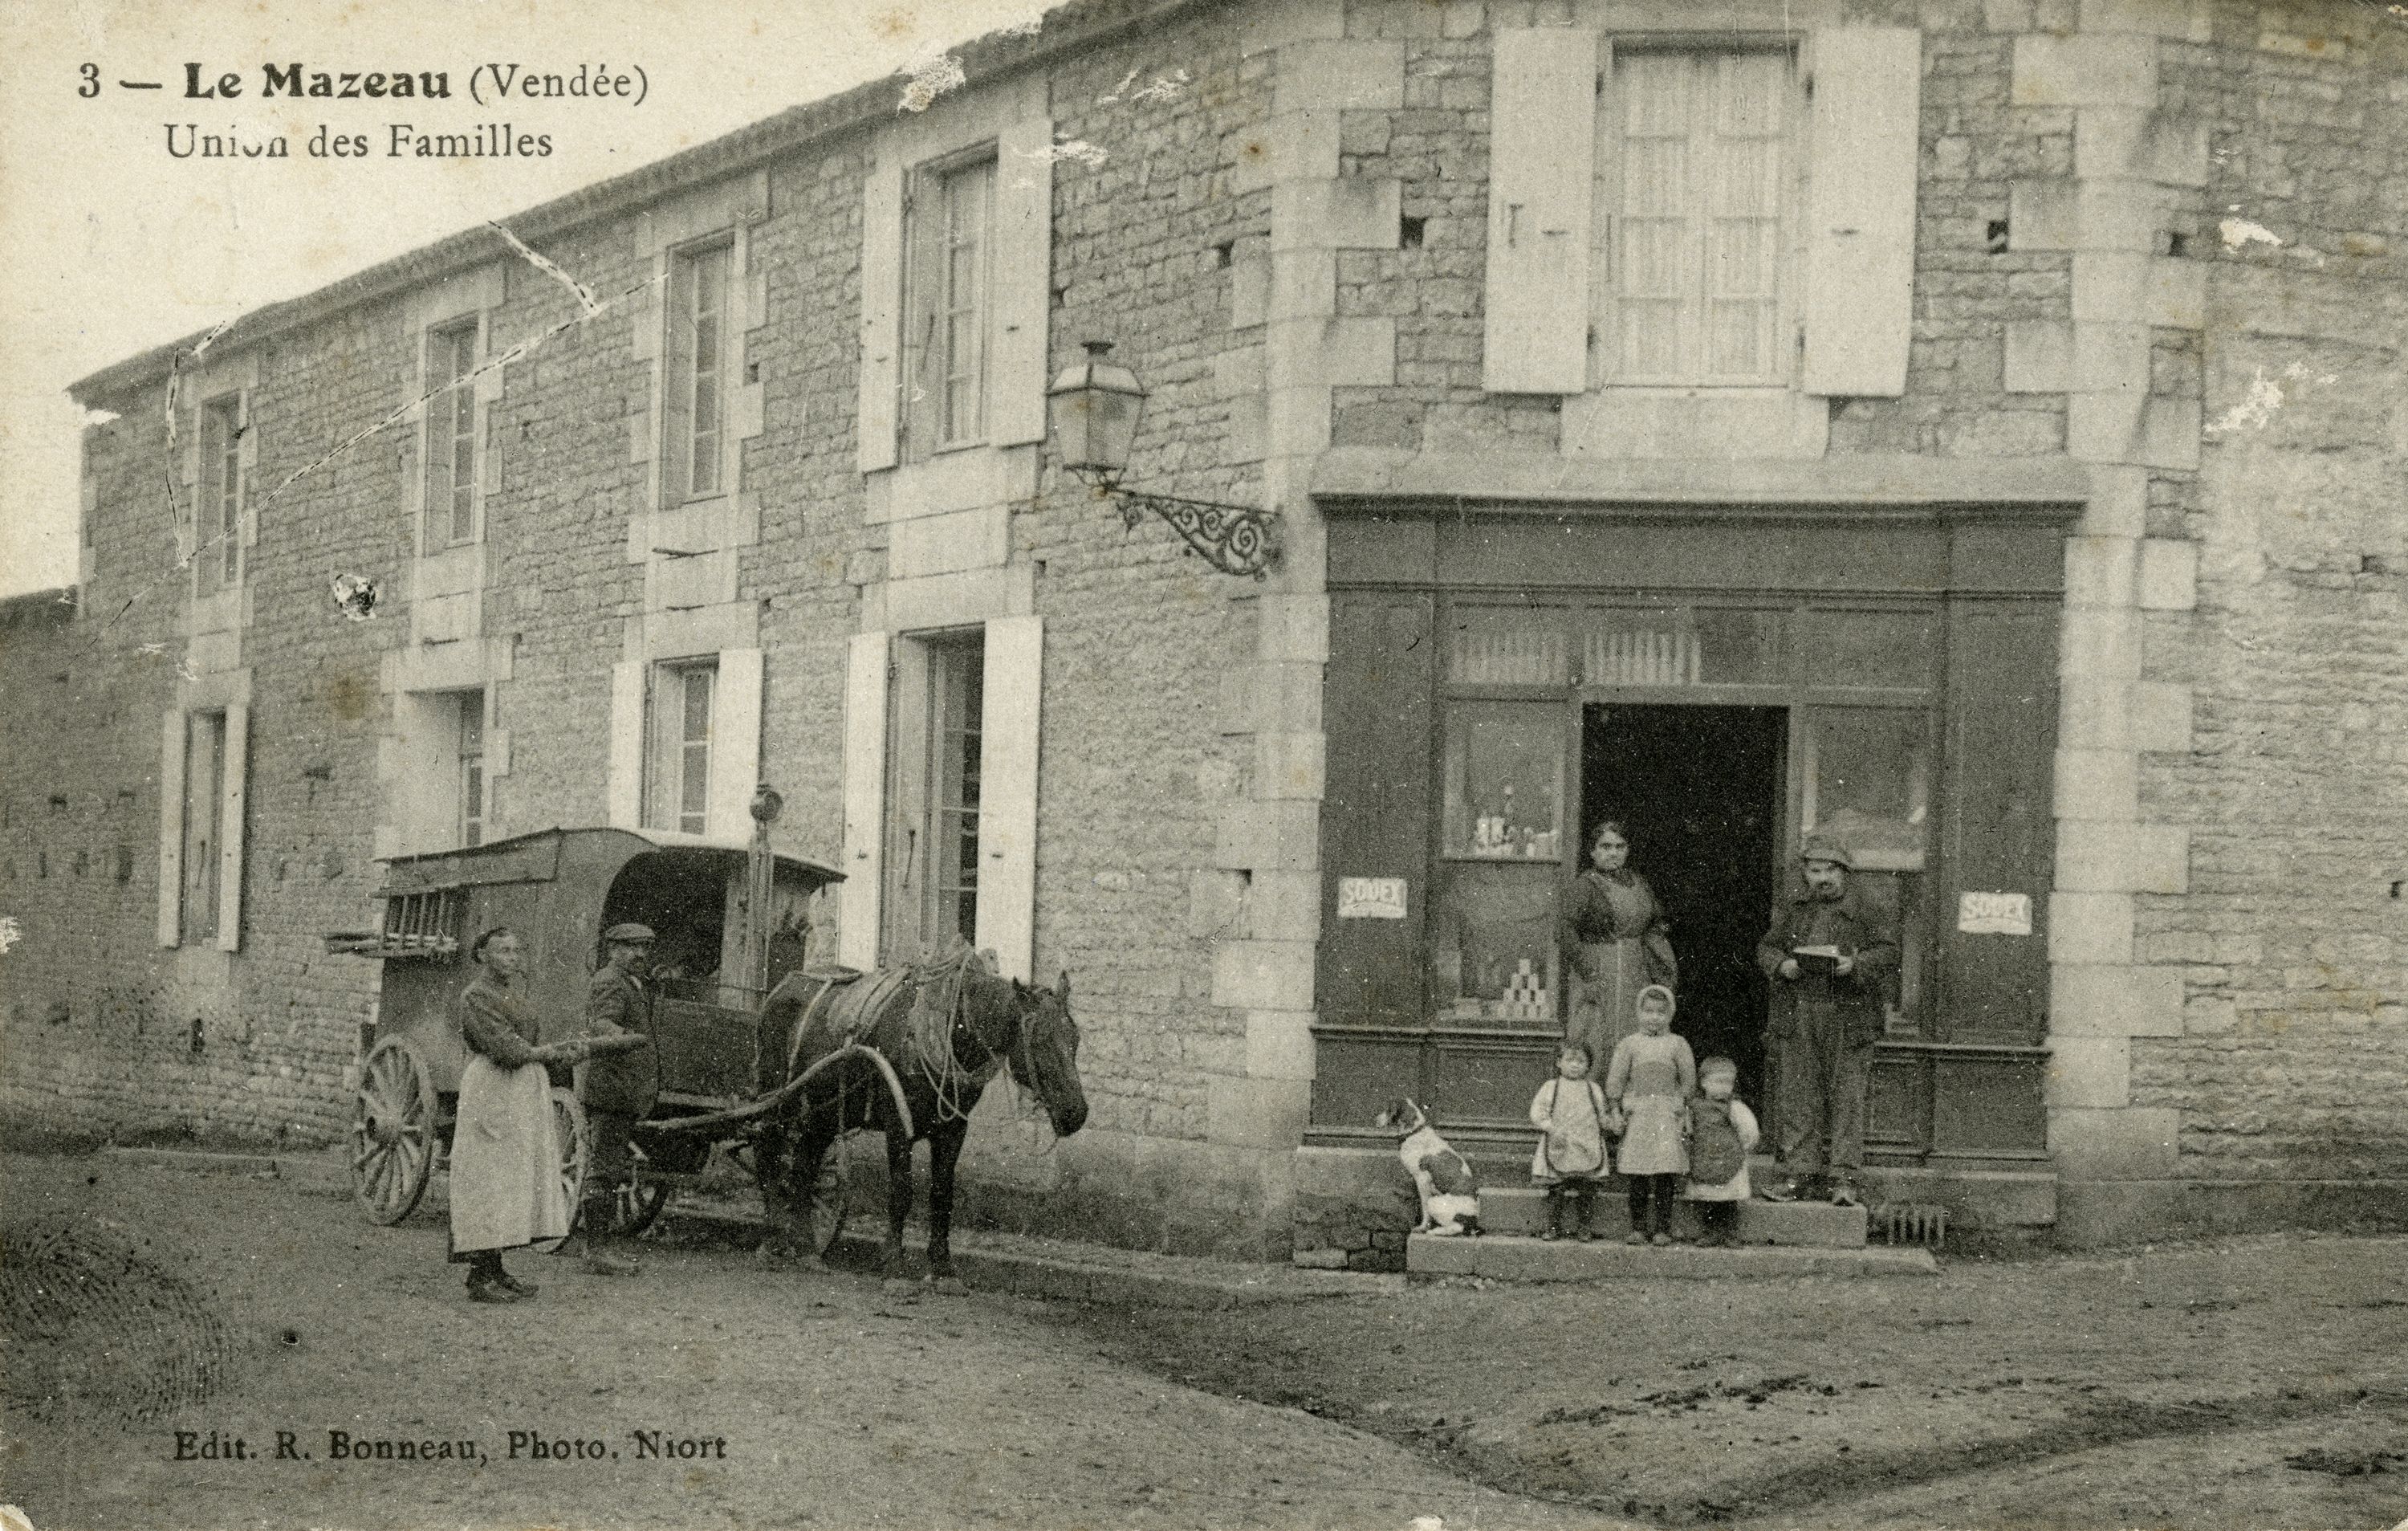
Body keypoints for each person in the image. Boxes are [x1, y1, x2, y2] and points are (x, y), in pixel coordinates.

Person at [1755, 836, 1899, 1207]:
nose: (1822, 878)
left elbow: (1888, 951)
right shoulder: (1794, 909)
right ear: (1805, 873)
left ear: (1845, 873)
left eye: (1830, 871)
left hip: (1849, 1015)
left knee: (1847, 1100)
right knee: (1799, 1098)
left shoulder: (1868, 909)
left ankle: (1844, 1182)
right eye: (1815, 870)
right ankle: (1796, 1177)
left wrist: (1858, 964)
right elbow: (1766, 948)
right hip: (1800, 1012)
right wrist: (1780, 964)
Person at [450, 926, 590, 1303]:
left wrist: (557, 1052)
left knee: (511, 1178)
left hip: (520, 1087)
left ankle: (495, 1270)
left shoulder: (512, 993)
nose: (512, 958)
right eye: (503, 951)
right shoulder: (476, 996)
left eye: (516, 951)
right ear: (482, 955)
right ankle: (479, 1279)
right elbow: (506, 1048)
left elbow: (526, 1045)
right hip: (494, 1085)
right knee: (488, 1177)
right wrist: (550, 1052)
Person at [576, 922, 662, 1277]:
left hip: (625, 1089)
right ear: (612, 950)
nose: (639, 954)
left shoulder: (634, 984)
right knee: (606, 1169)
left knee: (611, 1168)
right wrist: (630, 1037)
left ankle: (599, 1248)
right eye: (629, 947)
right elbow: (601, 1025)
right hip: (610, 1089)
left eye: (644, 947)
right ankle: (596, 1251)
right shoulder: (610, 981)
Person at [1560, 820, 1678, 1073]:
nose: (1613, 853)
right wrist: (1587, 971)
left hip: (1636, 970)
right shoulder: (1585, 886)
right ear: (1592, 852)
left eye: (1620, 846)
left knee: (1637, 1031)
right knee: (1598, 1032)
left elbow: (1655, 925)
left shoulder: (1638, 882)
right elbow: (1565, 929)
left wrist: (1661, 960)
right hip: (1598, 969)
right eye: (1605, 847)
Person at [1605, 984, 1695, 1246]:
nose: (1654, 1017)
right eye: (1648, 1011)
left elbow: (1688, 1081)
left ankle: (1662, 1229)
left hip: (1667, 1115)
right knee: (1639, 1174)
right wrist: (1616, 1108)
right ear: (1639, 1013)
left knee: (1665, 1173)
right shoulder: (1629, 1044)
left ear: (1670, 1015)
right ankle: (1638, 1227)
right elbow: (1617, 1079)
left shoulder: (1678, 1044)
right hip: (1639, 1115)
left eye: (1660, 1012)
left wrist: (1684, 1108)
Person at [1527, 1043, 1612, 1242]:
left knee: (1586, 1190)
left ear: (1588, 1066)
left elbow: (1602, 1114)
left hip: (1586, 1143)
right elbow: (1537, 1113)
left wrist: (1609, 1122)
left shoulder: (1593, 1089)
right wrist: (1550, 1128)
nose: (1575, 1065)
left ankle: (1584, 1227)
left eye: (1581, 1061)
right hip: (1561, 1142)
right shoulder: (1551, 1087)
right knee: (1557, 1189)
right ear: (1559, 1063)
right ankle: (1553, 1226)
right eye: (1570, 1060)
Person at [1684, 1056, 1760, 1248]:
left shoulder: (1735, 1108)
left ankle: (1730, 1233)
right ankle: (1710, 1232)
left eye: (1729, 1083)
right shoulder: (1694, 1108)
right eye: (1718, 1082)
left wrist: (1739, 1150)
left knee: (1729, 1200)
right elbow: (1687, 1131)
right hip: (1704, 1158)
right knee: (1708, 1199)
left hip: (1729, 1160)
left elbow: (1749, 1132)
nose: (1725, 1087)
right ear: (1703, 1083)